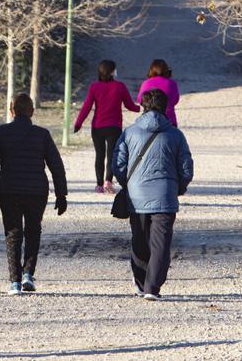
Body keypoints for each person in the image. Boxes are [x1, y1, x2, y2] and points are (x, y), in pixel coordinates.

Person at [113, 89, 193, 301]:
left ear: (143, 106)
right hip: (165, 196)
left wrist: (127, 184)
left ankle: (140, 282)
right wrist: (179, 187)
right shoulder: (175, 134)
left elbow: (118, 164)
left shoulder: (130, 133)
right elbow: (186, 166)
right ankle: (152, 287)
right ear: (166, 107)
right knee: (161, 245)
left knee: (139, 240)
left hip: (136, 196)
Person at [0, 93, 68, 295]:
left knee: (13, 233)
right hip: (36, 191)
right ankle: (28, 274)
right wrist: (61, 195)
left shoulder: (1, 132)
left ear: (11, 111)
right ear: (32, 112)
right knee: (33, 230)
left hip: (9, 189)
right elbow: (56, 166)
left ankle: (14, 282)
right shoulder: (42, 134)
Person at [73, 60, 140, 194]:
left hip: (97, 127)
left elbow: (87, 107)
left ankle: (99, 185)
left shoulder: (94, 87)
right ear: (112, 72)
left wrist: (78, 123)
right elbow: (129, 105)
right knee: (111, 156)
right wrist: (141, 108)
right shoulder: (120, 86)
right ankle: (108, 181)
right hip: (114, 127)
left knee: (99, 155)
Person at [137, 59, 181, 127]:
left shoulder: (146, 83)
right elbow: (175, 100)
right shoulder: (172, 83)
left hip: (149, 120)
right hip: (169, 120)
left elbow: (140, 100)